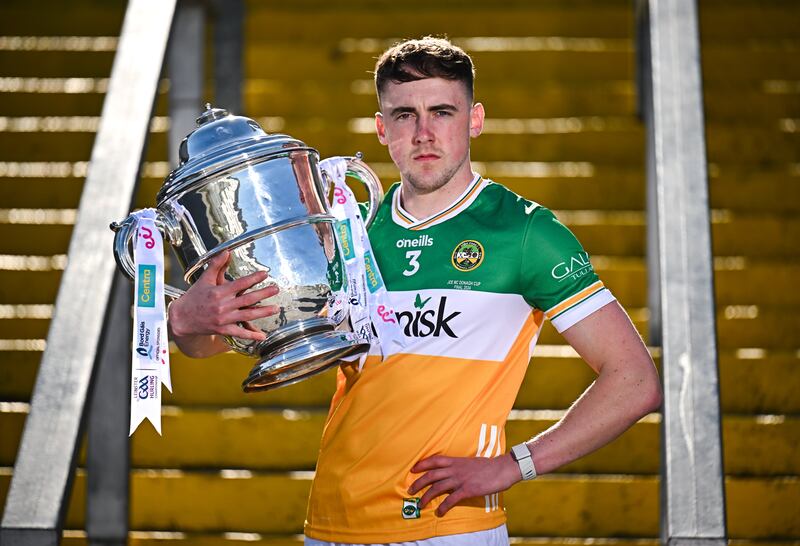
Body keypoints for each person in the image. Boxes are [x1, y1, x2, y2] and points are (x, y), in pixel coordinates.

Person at [167, 37, 662, 546]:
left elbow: (634, 381)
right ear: (382, 129)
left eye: (442, 112)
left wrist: (516, 466)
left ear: (475, 120)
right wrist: (187, 320)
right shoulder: (348, 231)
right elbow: (224, 342)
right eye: (404, 115)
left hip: (447, 525)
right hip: (331, 522)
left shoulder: (525, 232)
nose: (424, 133)